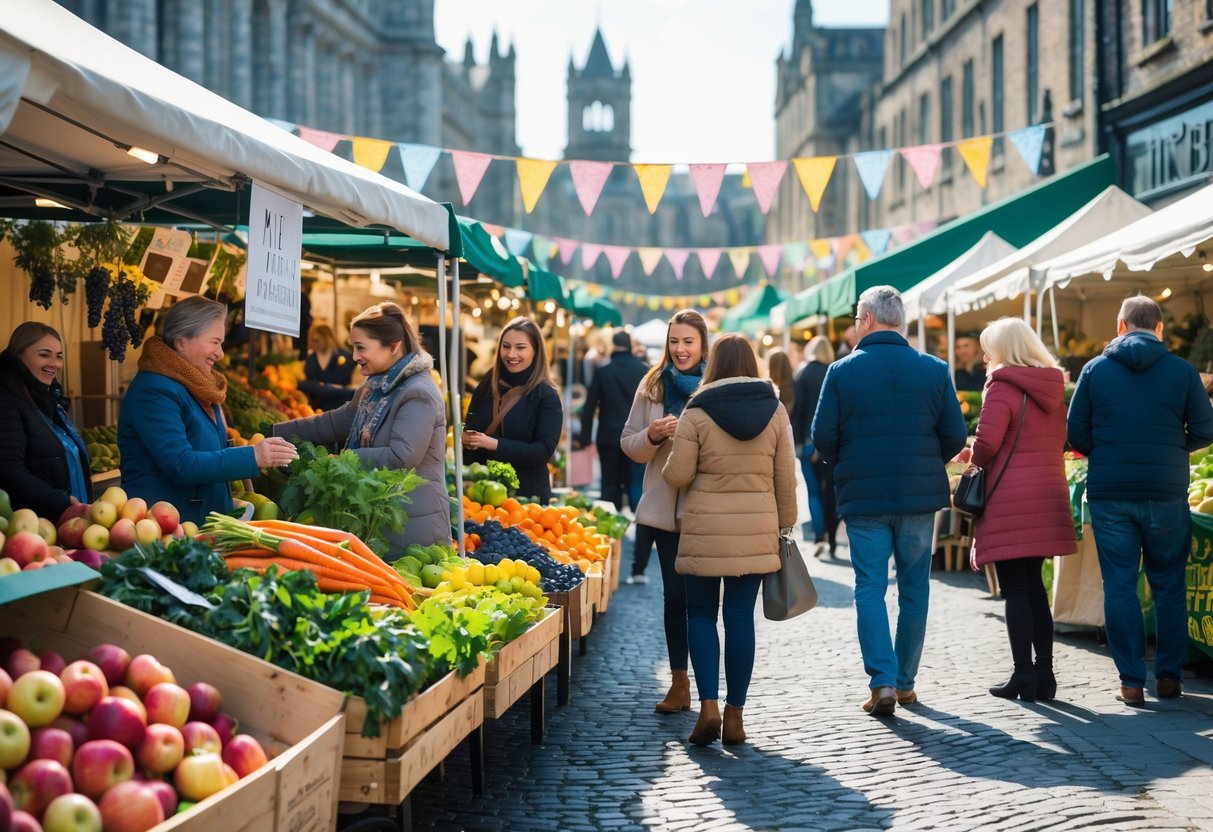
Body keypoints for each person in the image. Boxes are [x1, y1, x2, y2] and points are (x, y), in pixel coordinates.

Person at [811, 286, 967, 716]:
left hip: (863, 496)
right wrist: (923, 461)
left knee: (870, 587)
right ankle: (904, 683)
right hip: (918, 496)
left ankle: (881, 680)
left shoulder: (841, 371)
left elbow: (822, 437)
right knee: (915, 587)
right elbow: (955, 434)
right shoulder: (934, 369)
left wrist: (848, 461)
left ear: (866, 320)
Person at [1067, 295, 1213, 704]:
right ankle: (1169, 678)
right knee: (1169, 584)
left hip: (1111, 494)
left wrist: (1109, 451)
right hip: (1166, 491)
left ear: (1120, 326)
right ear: (1160, 328)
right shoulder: (1183, 372)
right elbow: (1205, 428)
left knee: (1119, 586)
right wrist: (1173, 447)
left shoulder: (1095, 370)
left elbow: (1076, 432)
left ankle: (1131, 682)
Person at [662, 334, 797, 746]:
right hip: (756, 530)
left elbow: (678, 475)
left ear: (714, 363)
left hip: (705, 532)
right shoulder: (775, 411)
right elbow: (785, 480)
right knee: (740, 618)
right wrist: (784, 528)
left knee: (701, 615)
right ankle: (736, 716)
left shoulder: (696, 411)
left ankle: (707, 707)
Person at [273, 303, 449, 550]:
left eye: (360, 347)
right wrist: (275, 433)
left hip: (411, 526)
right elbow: (335, 422)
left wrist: (344, 459)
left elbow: (401, 457)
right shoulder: (374, 387)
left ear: (393, 347)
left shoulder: (418, 392)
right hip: (379, 517)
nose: (354, 356)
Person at [967, 319, 1077, 702]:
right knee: (1034, 587)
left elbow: (986, 447)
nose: (984, 358)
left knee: (1015, 589)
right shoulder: (1053, 387)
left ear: (1002, 350)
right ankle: (1045, 676)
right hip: (1047, 497)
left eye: (988, 349)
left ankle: (1023, 676)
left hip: (1010, 501)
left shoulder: (1001, 387)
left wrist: (970, 455)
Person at [119, 296, 298, 526]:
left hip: (199, 522)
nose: (221, 353)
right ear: (182, 342)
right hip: (168, 530)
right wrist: (252, 456)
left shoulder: (198, 384)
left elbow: (207, 447)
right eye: (214, 342)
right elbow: (181, 464)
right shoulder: (154, 390)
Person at [621, 309, 708, 712]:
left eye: (688, 341)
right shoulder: (651, 384)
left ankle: (709, 687)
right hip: (663, 508)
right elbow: (629, 443)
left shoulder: (714, 385)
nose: (680, 349)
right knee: (674, 598)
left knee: (704, 602)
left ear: (703, 343)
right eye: (675, 341)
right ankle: (679, 683)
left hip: (706, 507)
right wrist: (652, 435)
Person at [463, 317, 563, 504]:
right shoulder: (487, 383)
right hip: (481, 494)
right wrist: (467, 441)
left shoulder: (546, 395)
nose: (511, 354)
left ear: (536, 351)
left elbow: (543, 451)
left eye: (520, 347)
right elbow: (472, 429)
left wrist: (494, 444)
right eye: (506, 346)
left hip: (526, 499)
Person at [0, 322, 92, 519]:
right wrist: (59, 500)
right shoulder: (6, 402)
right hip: (35, 527)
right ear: (19, 355)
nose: (54, 364)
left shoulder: (46, 399)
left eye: (59, 356)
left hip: (65, 522)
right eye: (44, 354)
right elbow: (8, 470)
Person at [578, 330, 649, 512]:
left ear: (614, 346)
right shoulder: (644, 371)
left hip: (608, 436)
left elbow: (590, 406)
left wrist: (584, 436)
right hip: (636, 437)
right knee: (635, 481)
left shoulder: (603, 372)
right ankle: (640, 526)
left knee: (610, 484)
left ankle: (611, 530)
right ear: (631, 347)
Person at [793, 336, 839, 555]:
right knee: (829, 489)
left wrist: (798, 442)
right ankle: (831, 535)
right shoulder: (834, 371)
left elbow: (798, 411)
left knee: (813, 491)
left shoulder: (802, 373)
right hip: (830, 441)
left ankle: (820, 534)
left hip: (806, 440)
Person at [299, 323, 357, 411]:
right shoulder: (311, 358)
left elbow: (350, 388)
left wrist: (322, 387)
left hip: (341, 408)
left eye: (317, 340)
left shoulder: (346, 356)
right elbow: (305, 383)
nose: (313, 344)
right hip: (316, 409)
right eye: (312, 340)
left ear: (326, 338)